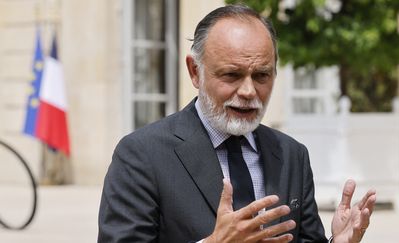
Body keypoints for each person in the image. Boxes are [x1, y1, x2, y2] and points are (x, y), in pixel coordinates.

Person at [98, 4, 376, 243]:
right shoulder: (142, 155)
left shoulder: (292, 155)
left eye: (262, 76)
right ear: (195, 72)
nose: (248, 91)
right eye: (232, 75)